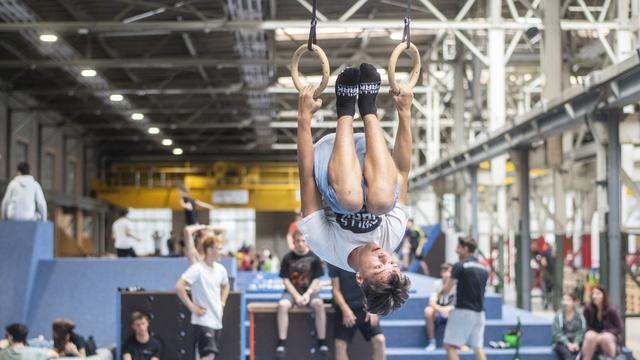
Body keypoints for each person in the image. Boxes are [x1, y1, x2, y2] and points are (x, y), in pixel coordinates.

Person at [296, 63, 413, 316]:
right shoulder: (392, 237)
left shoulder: (327, 247)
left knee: (349, 201)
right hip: (372, 156)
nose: (385, 257)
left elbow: (306, 178)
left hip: (332, 158)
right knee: (382, 203)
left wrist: (304, 118)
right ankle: (368, 107)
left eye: (378, 267)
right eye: (392, 263)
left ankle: (345, 108)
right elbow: (402, 173)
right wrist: (404, 111)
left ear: (360, 278)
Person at [176, 235, 230, 360]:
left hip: (217, 320)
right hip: (203, 320)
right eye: (219, 248)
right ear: (210, 250)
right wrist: (192, 306)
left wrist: (222, 302)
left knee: (208, 356)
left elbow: (226, 285)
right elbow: (179, 286)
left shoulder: (221, 270)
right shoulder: (197, 269)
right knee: (209, 355)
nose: (221, 251)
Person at [275, 232, 327, 358]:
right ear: (294, 242)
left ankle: (322, 342)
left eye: (303, 241)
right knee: (282, 305)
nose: (300, 244)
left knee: (318, 304)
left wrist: (308, 293)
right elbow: (285, 280)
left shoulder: (314, 258)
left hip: (310, 292)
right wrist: (296, 296)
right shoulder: (287, 258)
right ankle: (282, 342)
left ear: (307, 242)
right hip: (291, 292)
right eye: (298, 241)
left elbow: (316, 279)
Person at [441, 237, 489, 360]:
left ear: (466, 248)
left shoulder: (459, 266)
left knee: (449, 345)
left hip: (463, 311)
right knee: (478, 348)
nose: (456, 251)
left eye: (458, 248)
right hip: (480, 313)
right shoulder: (484, 268)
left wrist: (438, 296)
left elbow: (446, 289)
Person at [329, 264, 385, 360]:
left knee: (380, 340)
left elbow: (374, 285)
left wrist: (372, 308)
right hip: (345, 308)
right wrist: (345, 309)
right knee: (340, 345)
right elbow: (336, 291)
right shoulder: (335, 261)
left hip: (365, 307)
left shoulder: (365, 260)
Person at [580, 286, 624, 360]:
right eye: (593, 293)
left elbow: (620, 328)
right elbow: (586, 325)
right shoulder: (588, 309)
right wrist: (593, 333)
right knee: (589, 336)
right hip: (594, 334)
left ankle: (611, 358)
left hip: (609, 335)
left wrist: (604, 333)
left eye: (597, 293)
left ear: (604, 295)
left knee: (605, 337)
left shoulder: (612, 309)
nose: (594, 296)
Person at [424, 263, 456, 351]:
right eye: (444, 271)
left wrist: (449, 309)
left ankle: (458, 342)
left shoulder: (457, 284)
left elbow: (460, 304)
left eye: (449, 271)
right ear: (441, 273)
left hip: (452, 312)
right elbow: (431, 302)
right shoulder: (436, 283)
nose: (447, 274)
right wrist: (441, 309)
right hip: (438, 312)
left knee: (462, 311)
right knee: (428, 311)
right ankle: (432, 342)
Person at [552, 293, 585, 360]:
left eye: (568, 300)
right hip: (562, 343)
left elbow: (581, 331)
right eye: (563, 300)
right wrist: (568, 344)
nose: (565, 302)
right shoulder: (558, 315)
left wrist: (576, 343)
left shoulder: (580, 316)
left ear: (574, 302)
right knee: (569, 356)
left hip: (577, 342)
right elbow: (557, 333)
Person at [531, 240, 555, 309]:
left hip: (547, 275)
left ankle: (546, 303)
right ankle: (548, 303)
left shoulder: (544, 252)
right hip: (550, 274)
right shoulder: (548, 251)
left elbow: (543, 263)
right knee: (549, 290)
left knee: (546, 290)